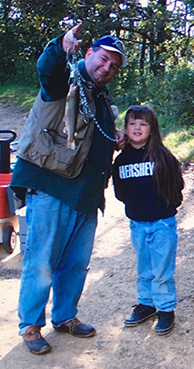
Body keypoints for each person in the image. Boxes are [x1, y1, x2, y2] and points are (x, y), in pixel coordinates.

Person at [10, 22, 127, 355]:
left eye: (113, 66)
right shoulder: (66, 80)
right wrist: (60, 46)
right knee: (41, 262)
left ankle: (65, 317)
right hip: (52, 189)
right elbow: (48, 72)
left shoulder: (100, 98)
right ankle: (30, 325)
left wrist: (115, 139)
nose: (107, 68)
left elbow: (95, 139)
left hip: (86, 197)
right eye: (103, 59)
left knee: (75, 264)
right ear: (89, 53)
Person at [112, 105, 184, 335]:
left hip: (162, 223)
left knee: (162, 269)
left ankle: (165, 309)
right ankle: (146, 304)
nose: (137, 128)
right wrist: (136, 208)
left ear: (152, 129)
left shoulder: (162, 156)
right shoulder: (121, 161)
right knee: (144, 267)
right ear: (124, 129)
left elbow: (177, 185)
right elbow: (120, 191)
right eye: (132, 123)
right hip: (138, 224)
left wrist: (165, 207)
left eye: (143, 123)